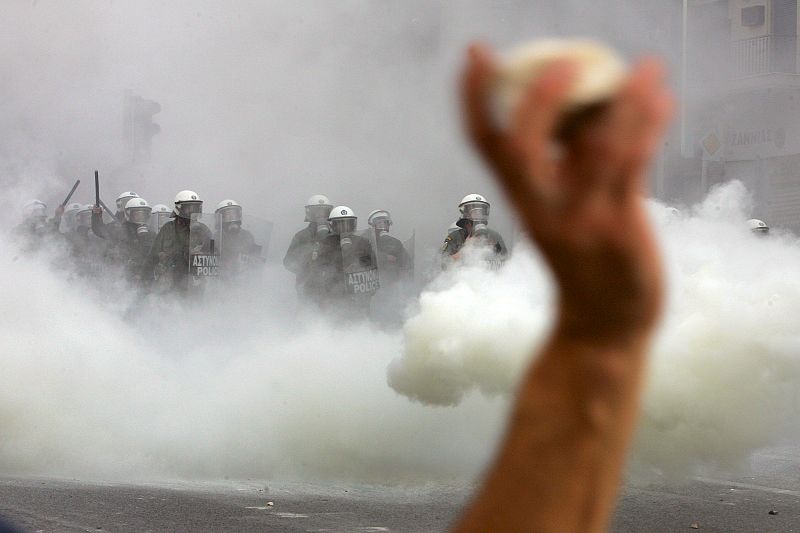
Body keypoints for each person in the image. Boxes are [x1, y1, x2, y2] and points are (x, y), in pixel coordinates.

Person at [452, 44, 672, 532]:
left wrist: (601, 333)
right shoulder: (457, 234)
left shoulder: (495, 236)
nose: (478, 218)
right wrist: (601, 340)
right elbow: (447, 265)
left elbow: (507, 262)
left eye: (482, 213)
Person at [142, 190, 212, 293]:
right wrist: (144, 279)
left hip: (194, 284)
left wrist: (202, 255)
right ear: (179, 208)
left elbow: (214, 252)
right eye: (190, 208)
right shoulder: (167, 229)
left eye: (197, 208)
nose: (194, 212)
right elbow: (152, 256)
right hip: (170, 283)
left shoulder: (204, 229)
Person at [283, 194, 334, 301]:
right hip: (308, 289)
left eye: (324, 211)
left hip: (334, 288)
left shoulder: (336, 234)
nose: (321, 215)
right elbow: (288, 262)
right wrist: (308, 267)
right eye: (317, 212)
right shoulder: (302, 236)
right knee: (307, 315)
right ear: (310, 213)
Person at [441, 193, 508, 269]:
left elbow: (505, 264)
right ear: (466, 214)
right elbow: (445, 265)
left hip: (488, 278)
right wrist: (466, 248)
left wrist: (493, 250)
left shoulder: (494, 236)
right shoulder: (455, 236)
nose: (479, 215)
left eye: (481, 212)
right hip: (461, 279)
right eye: (475, 212)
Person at [214, 199, 258, 277]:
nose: (232, 218)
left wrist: (254, 260)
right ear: (220, 218)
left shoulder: (247, 236)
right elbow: (210, 260)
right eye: (227, 215)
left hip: (244, 276)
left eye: (234, 214)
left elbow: (256, 255)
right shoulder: (215, 238)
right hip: (222, 277)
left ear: (239, 215)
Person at [366, 209, 412, 283]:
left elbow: (406, 261)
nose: (383, 226)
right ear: (373, 225)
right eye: (379, 223)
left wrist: (403, 273)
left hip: (391, 283)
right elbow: (361, 258)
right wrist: (385, 257)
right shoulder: (365, 240)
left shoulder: (395, 243)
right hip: (371, 282)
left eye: (385, 223)